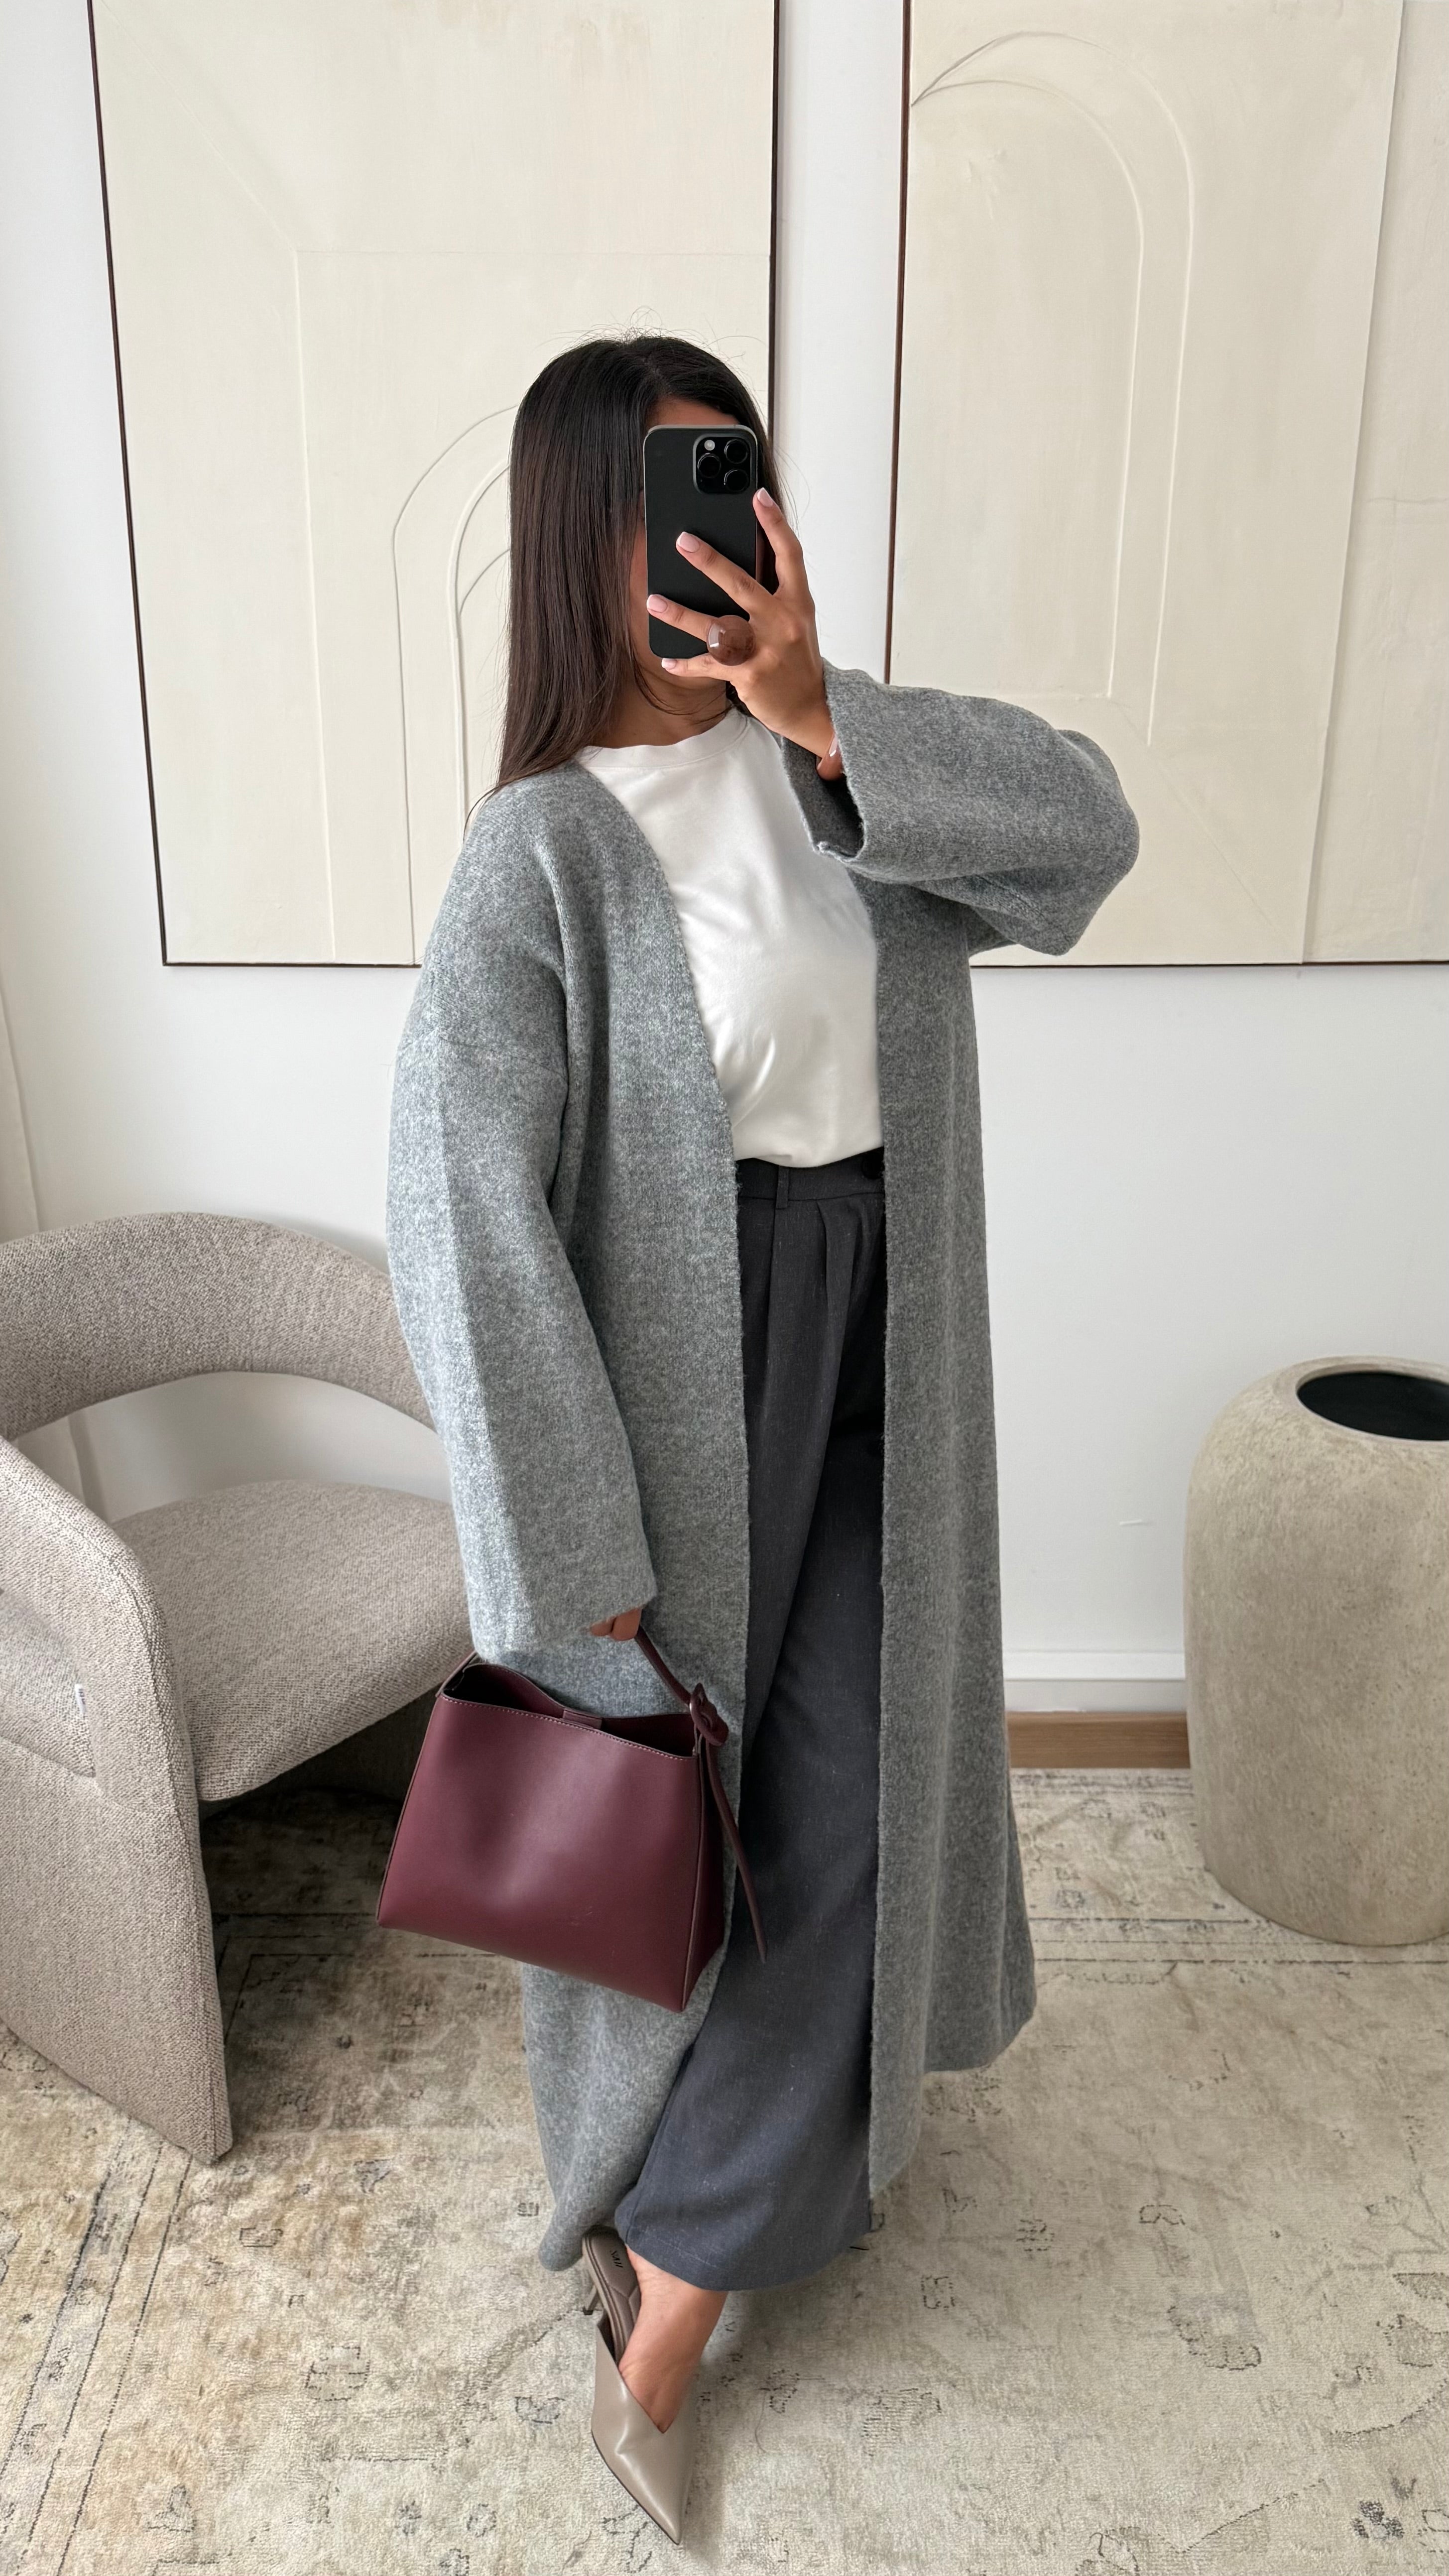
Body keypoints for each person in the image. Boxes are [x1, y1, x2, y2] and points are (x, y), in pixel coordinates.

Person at [384, 333, 1139, 2542]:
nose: (709, 539)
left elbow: (1090, 838)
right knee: (675, 1852)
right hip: (679, 1387)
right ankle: (674, 2194)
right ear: (585, 537)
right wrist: (570, 1550)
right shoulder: (539, 850)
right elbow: (461, 1213)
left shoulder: (844, 777)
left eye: (732, 482)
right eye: (661, 498)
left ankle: (668, 2311)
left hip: (883, 1344)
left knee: (856, 1810)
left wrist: (827, 713)